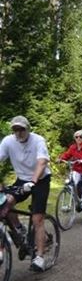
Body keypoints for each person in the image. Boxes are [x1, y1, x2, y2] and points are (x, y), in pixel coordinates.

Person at [0, 116, 51, 271]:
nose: (19, 132)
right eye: (15, 129)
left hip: (40, 179)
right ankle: (19, 229)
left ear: (28, 129)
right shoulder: (8, 141)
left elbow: (42, 162)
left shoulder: (38, 140)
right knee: (5, 203)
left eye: (22, 129)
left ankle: (40, 257)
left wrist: (33, 182)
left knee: (37, 219)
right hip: (22, 179)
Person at [58, 130, 82, 219]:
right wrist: (60, 159)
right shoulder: (73, 147)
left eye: (81, 137)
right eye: (76, 137)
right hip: (77, 169)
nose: (78, 138)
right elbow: (67, 155)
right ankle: (77, 202)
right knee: (72, 184)